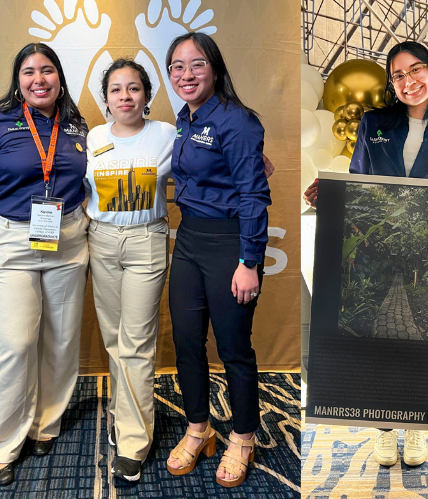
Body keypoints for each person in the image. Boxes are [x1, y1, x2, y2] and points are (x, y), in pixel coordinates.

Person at [303, 41, 428, 467]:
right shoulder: (375, 123)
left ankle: (415, 424)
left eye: (415, 70)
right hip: (377, 243)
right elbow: (358, 178)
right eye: (398, 75)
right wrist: (332, 197)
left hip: (427, 248)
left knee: (424, 338)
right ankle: (385, 427)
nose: (408, 82)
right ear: (392, 83)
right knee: (377, 335)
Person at [0, 43, 89, 487]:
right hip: (9, 242)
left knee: (60, 340)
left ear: (59, 78)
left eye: (48, 71)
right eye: (29, 71)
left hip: (68, 240)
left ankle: (45, 425)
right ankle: (0, 445)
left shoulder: (77, 126)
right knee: (16, 345)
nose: (39, 79)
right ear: (18, 80)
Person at [163, 32, 271, 488]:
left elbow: (253, 193)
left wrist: (249, 260)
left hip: (230, 245)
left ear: (215, 68)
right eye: (177, 67)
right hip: (188, 239)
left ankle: (243, 438)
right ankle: (198, 429)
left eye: (197, 65)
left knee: (233, 350)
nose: (186, 75)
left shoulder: (237, 120)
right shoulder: (184, 120)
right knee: (187, 342)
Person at [84, 59, 173, 482]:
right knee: (114, 340)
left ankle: (135, 440)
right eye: (116, 90)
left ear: (147, 96)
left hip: (146, 242)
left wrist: (255, 159)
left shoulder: (167, 135)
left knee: (136, 343)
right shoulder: (94, 138)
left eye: (133, 88)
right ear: (106, 100)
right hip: (101, 240)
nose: (125, 96)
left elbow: (214, 159)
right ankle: (125, 417)